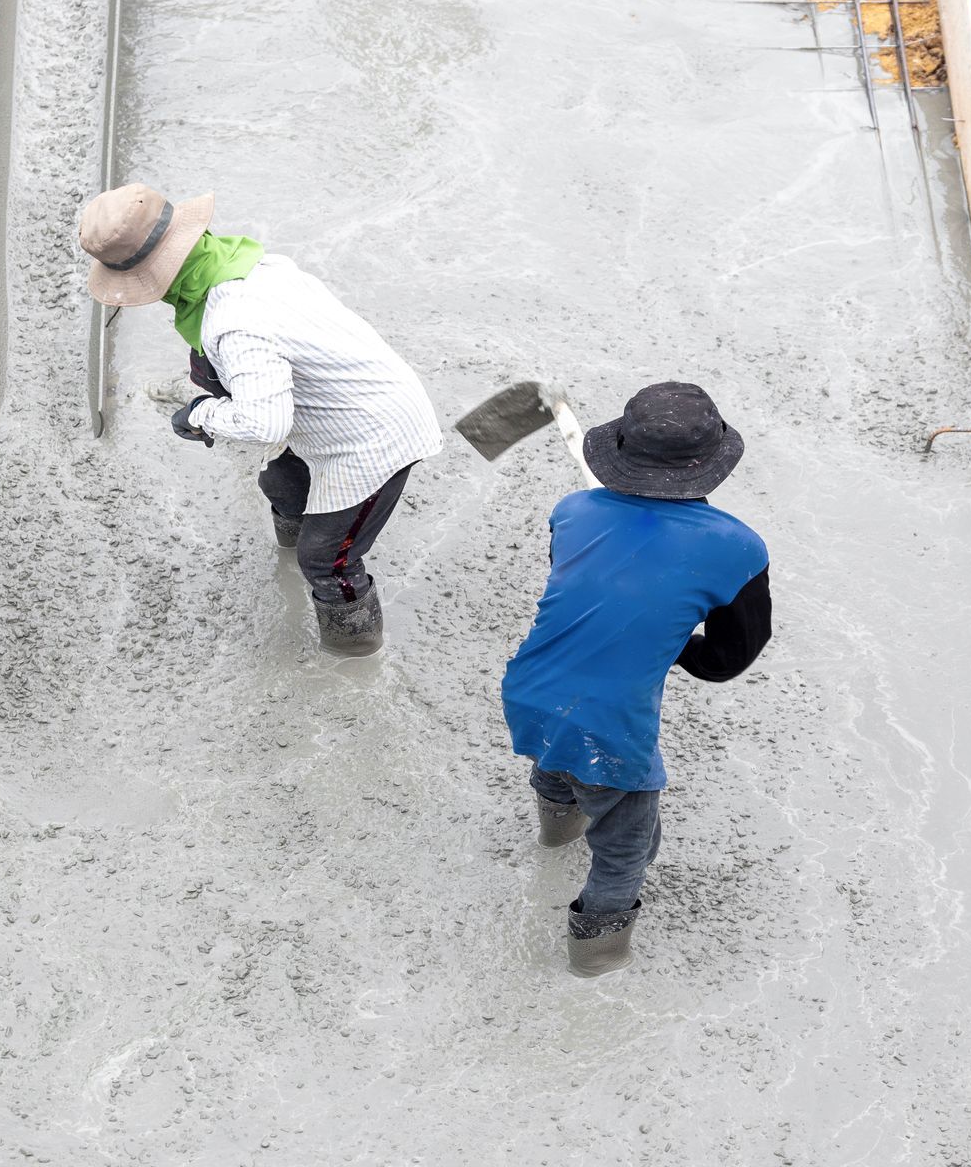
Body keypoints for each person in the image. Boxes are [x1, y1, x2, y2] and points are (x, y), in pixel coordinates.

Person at [76, 183, 442, 655]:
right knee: (283, 487)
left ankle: (355, 657)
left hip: (376, 435)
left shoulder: (234, 325)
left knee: (327, 562)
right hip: (325, 407)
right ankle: (293, 545)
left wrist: (203, 414)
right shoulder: (249, 263)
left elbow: (263, 422)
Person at [501, 382, 771, 976]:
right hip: (612, 727)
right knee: (629, 848)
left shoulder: (572, 511)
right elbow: (727, 661)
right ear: (716, 464)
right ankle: (594, 960)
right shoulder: (738, 548)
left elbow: (586, 589)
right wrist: (673, 648)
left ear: (617, 450)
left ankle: (555, 833)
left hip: (530, 689)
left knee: (561, 752)